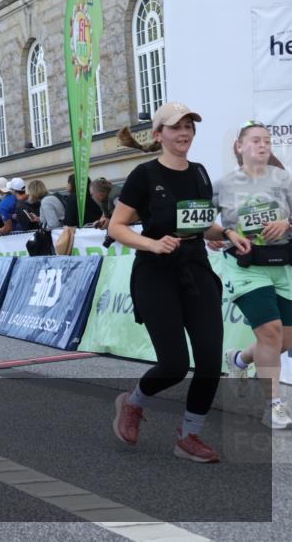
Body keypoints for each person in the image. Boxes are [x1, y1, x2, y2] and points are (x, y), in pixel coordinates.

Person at [109, 102, 251, 463]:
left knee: (210, 362)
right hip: (155, 272)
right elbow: (117, 227)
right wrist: (153, 244)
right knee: (173, 365)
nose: (184, 133)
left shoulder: (200, 173)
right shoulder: (144, 175)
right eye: (176, 127)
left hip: (196, 268)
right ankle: (132, 402)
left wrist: (227, 233)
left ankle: (189, 435)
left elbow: (201, 225)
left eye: (189, 126)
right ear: (159, 135)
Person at [216, 120, 292, 429]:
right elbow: (203, 223)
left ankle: (238, 359)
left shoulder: (285, 180)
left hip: (282, 265)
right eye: (255, 140)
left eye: (267, 141)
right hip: (244, 266)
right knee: (270, 332)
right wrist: (220, 234)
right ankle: (273, 406)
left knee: (282, 340)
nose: (262, 145)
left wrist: (287, 223)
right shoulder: (223, 185)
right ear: (240, 146)